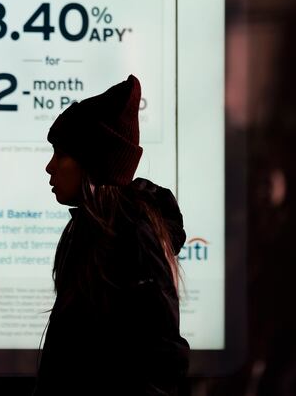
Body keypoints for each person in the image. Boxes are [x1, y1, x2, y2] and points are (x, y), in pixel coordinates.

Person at [33, 75, 190, 395]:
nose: (49, 167)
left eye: (61, 154)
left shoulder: (132, 237)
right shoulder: (85, 229)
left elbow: (160, 359)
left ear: (93, 162)